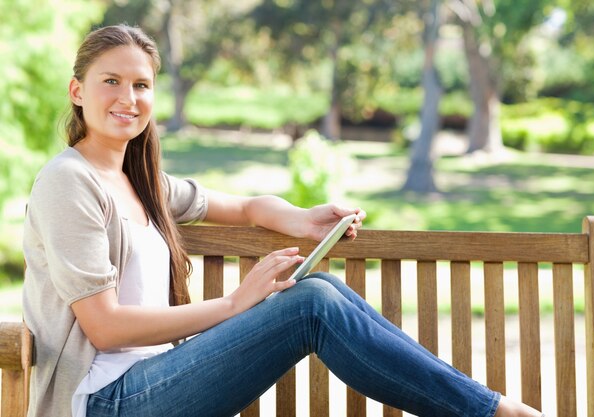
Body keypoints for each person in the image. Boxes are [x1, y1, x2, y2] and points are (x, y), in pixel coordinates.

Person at [22, 24, 545, 417]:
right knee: (311, 304)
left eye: (141, 85)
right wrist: (233, 303)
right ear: (77, 91)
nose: (128, 99)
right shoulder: (69, 181)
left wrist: (306, 220)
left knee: (318, 287)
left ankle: (487, 408)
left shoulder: (142, 182)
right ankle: (492, 411)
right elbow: (106, 327)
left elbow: (247, 207)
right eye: (110, 81)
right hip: (103, 401)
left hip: (153, 381)